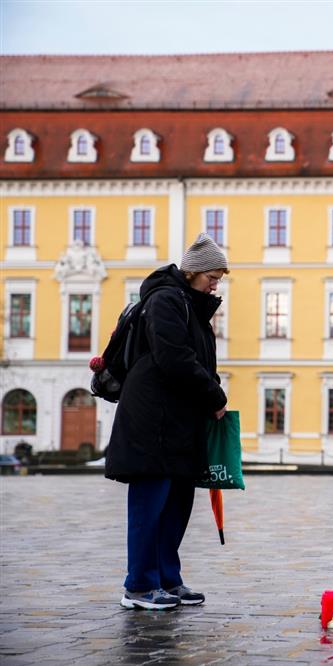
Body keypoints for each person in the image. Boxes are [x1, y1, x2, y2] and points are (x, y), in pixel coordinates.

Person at [105, 233, 229, 610]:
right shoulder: (165, 300)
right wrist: (214, 394)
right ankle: (139, 586)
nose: (215, 283)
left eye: (219, 277)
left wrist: (210, 389)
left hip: (177, 423)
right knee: (149, 507)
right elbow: (173, 358)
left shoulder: (192, 306)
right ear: (191, 271)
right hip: (151, 422)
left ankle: (168, 580)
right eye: (212, 275)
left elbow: (199, 363)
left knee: (175, 507)